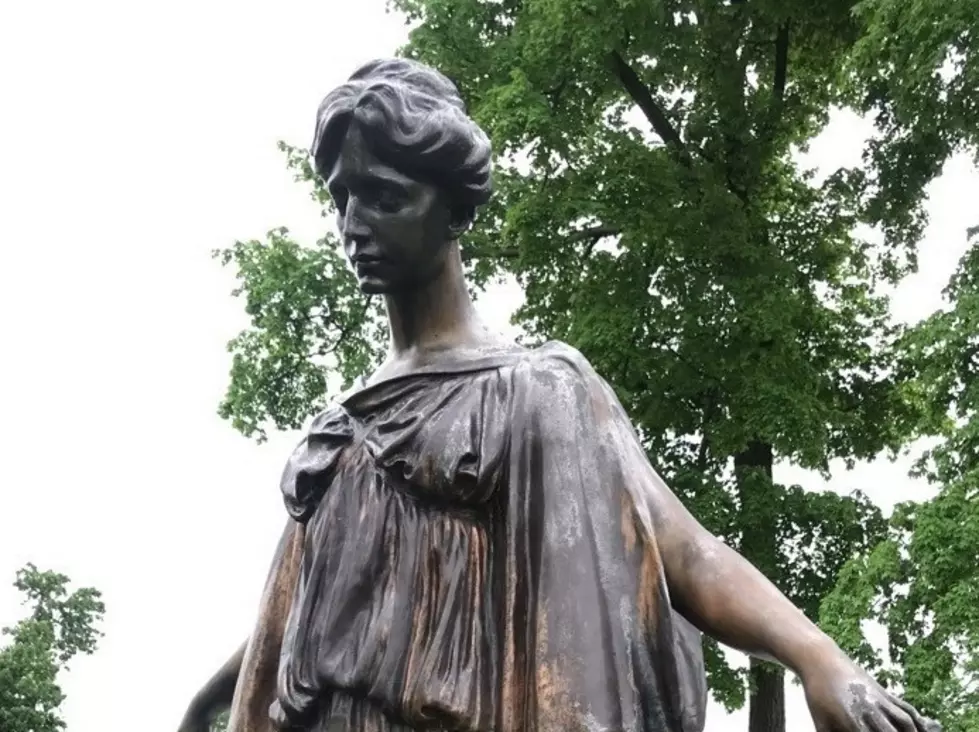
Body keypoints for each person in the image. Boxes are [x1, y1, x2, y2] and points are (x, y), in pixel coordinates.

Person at [177, 58, 941, 732]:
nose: (354, 225)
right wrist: (215, 693)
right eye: (343, 198)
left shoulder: (538, 391)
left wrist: (816, 656)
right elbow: (319, 605)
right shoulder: (337, 432)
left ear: (453, 209)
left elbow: (684, 551)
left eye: (384, 196)